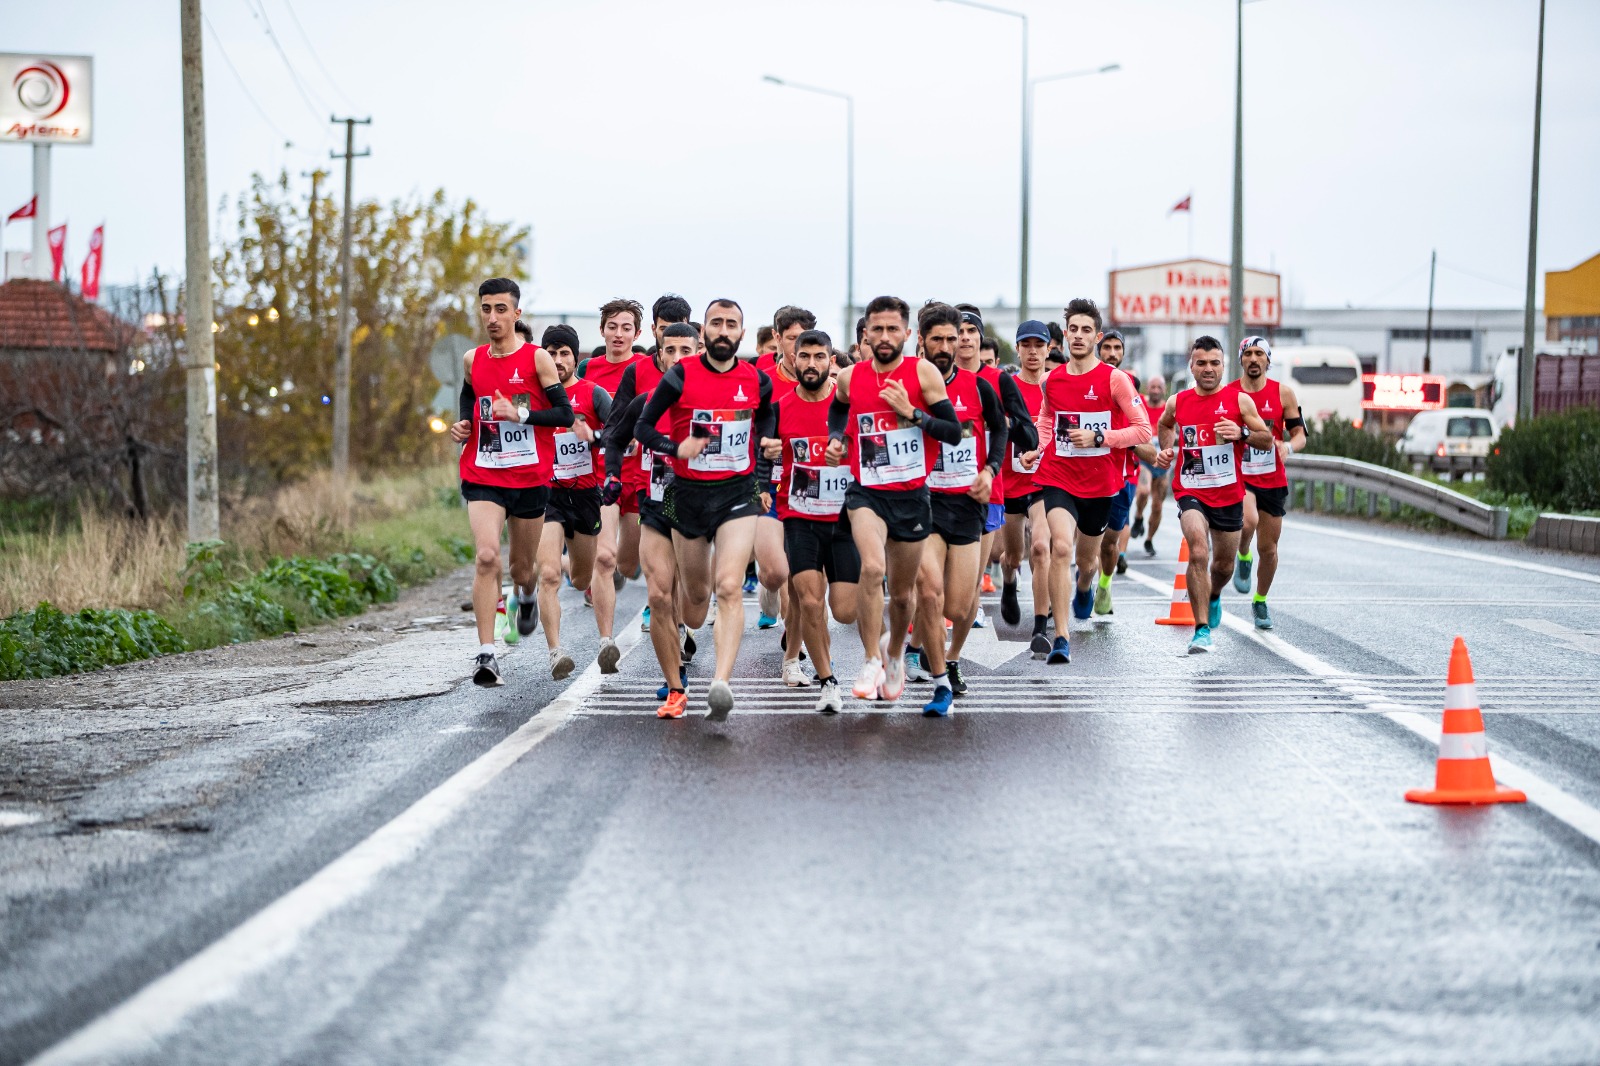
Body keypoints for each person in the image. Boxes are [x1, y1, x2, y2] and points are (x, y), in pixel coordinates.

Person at [633, 300, 773, 720]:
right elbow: (642, 427)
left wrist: (765, 452)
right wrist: (676, 448)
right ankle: (678, 682)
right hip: (687, 495)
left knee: (730, 585)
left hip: (737, 492)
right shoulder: (680, 376)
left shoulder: (755, 379)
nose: (724, 330)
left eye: (732, 324)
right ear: (704, 332)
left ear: (742, 334)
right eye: (717, 323)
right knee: (695, 600)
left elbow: (767, 422)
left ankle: (721, 683)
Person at [824, 295, 965, 706]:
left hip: (911, 494)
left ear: (907, 334)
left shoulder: (923, 374)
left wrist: (913, 413)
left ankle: (895, 655)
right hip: (867, 491)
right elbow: (838, 410)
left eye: (892, 329)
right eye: (876, 329)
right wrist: (837, 439)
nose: (884, 337)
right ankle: (870, 659)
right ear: (865, 333)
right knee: (871, 568)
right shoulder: (851, 377)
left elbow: (953, 432)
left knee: (904, 596)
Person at [448, 278, 575, 685]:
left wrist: (520, 415)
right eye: (486, 308)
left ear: (517, 314)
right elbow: (471, 395)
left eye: (501, 309)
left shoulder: (537, 359)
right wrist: (466, 422)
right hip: (484, 469)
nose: (493, 317)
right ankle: (487, 654)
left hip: (529, 476)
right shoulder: (472, 359)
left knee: (523, 569)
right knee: (487, 556)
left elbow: (564, 415)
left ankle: (525, 597)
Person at [1018, 299, 1149, 664]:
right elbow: (1047, 420)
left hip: (1100, 483)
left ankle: (1086, 584)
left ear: (1097, 336)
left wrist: (1100, 438)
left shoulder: (1114, 379)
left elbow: (1143, 429)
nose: (1078, 336)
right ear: (1065, 334)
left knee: (1087, 561)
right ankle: (1061, 636)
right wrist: (1038, 449)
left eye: (1086, 330)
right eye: (1072, 329)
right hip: (1058, 476)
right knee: (1060, 548)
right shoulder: (1052, 379)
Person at [904, 302, 1007, 715]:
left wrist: (990, 469)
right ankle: (940, 682)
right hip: (922, 502)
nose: (946, 346)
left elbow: (1000, 429)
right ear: (921, 341)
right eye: (938, 339)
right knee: (929, 590)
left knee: (958, 606)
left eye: (952, 338)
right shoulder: (907, 385)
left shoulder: (979, 386)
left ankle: (946, 657)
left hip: (967, 504)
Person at [1151, 336, 1273, 653]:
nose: (1208, 369)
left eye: (1214, 363)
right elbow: (1165, 424)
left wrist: (1242, 432)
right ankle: (1201, 629)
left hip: (1229, 493)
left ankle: (1214, 593)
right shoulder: (1178, 402)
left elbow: (1267, 439)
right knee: (1198, 551)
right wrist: (1167, 448)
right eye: (1201, 363)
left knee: (1222, 567)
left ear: (1223, 366)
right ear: (1191, 366)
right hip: (1191, 490)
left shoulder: (1240, 402)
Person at [758, 329, 859, 712]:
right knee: (809, 598)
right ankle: (827, 679)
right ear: (792, 359)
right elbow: (762, 453)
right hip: (798, 515)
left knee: (844, 610)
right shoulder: (780, 408)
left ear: (831, 361)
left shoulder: (846, 405)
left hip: (844, 517)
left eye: (820, 357)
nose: (812, 364)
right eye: (805, 357)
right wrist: (764, 478)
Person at [942, 305, 1036, 695]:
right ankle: (918, 650)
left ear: (981, 339)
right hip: (934, 494)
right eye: (958, 331)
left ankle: (952, 659)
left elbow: (1027, 432)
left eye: (970, 331)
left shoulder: (997, 381)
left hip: (986, 495)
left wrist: (1004, 426)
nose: (964, 338)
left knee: (964, 596)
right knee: (928, 584)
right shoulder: (930, 379)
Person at [533, 324, 615, 679]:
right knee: (548, 574)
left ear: (576, 358)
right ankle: (556, 652)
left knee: (583, 576)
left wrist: (593, 436)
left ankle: (606, 644)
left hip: (585, 494)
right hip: (545, 494)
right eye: (550, 353)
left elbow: (620, 435)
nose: (557, 359)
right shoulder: (532, 397)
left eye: (564, 353)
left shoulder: (594, 395)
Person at [1227, 336, 1306, 630]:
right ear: (1241, 360)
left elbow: (1300, 433)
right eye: (1247, 353)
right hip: (1240, 474)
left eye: (1259, 353)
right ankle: (1243, 554)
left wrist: (1289, 447)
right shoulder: (1229, 393)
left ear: (1268, 360)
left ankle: (1260, 600)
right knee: (1247, 521)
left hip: (1272, 478)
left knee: (1270, 550)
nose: (1253, 359)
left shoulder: (1283, 394)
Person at [579, 298, 650, 614]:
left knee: (627, 561)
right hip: (600, 473)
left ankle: (619, 572)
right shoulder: (587, 370)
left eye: (626, 328)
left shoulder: (644, 370)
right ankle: (604, 639)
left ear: (636, 334)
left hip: (637, 475)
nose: (618, 334)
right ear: (602, 331)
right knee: (605, 556)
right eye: (612, 327)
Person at [1091, 329, 1156, 613]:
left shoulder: (1130, 389)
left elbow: (1147, 447)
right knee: (1076, 541)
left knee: (1108, 545)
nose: (1112, 353)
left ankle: (1104, 583)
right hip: (1083, 474)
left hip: (1120, 478)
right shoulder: (1084, 381)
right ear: (1098, 349)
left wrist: (1118, 439)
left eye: (1118, 348)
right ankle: (1081, 587)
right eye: (1107, 348)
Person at [999, 321, 1052, 647]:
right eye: (1026, 345)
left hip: (1045, 482)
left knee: (1041, 547)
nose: (1033, 352)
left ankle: (1041, 626)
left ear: (1048, 349)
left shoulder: (1057, 386)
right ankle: (1008, 581)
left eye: (1039, 345)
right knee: (1012, 555)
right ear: (1018, 349)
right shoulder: (1007, 387)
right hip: (1010, 482)